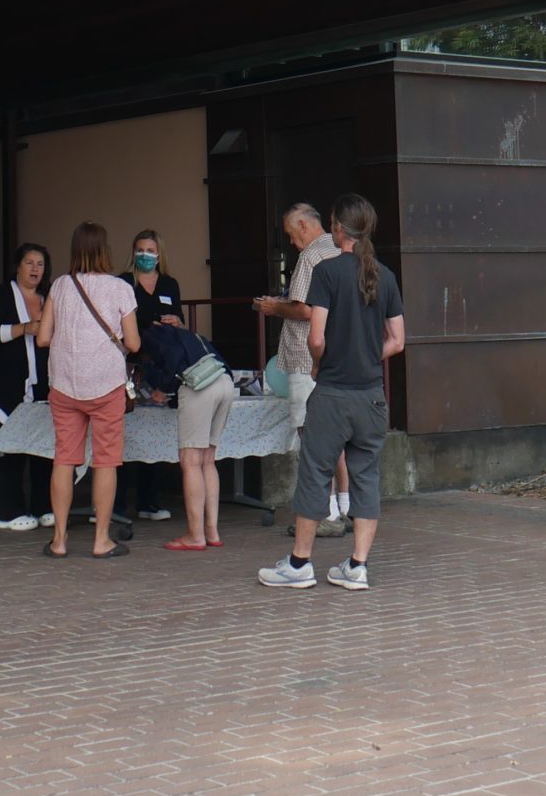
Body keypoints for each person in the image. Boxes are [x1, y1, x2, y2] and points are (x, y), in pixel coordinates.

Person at [259, 194, 404, 593]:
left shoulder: (326, 271)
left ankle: (299, 564)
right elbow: (398, 340)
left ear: (338, 228)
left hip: (334, 392)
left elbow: (317, 336)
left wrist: (322, 361)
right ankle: (357, 566)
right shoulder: (385, 276)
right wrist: (366, 355)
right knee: (366, 478)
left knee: (314, 474)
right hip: (372, 395)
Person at [36, 222, 139, 560]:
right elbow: (134, 343)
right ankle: (101, 540)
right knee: (106, 461)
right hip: (106, 385)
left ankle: (60, 540)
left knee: (64, 459)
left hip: (64, 384)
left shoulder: (60, 286)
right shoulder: (120, 287)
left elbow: (43, 338)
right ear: (105, 249)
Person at [255, 202, 351, 534]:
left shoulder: (311, 256)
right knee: (335, 439)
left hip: (306, 359)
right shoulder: (340, 251)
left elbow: (305, 309)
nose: (291, 243)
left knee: (311, 438)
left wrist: (273, 307)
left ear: (303, 225)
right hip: (336, 357)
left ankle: (323, 515)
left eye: (290, 235)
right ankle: (344, 507)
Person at [136, 302, 234, 552]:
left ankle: (195, 535)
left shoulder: (152, 334)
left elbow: (172, 360)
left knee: (190, 461)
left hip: (199, 386)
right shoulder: (189, 333)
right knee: (208, 460)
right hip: (224, 382)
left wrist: (163, 390)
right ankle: (211, 532)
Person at [0, 242, 50, 530]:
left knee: (43, 449)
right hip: (3, 387)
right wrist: (24, 328)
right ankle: (7, 512)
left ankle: (44, 505)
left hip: (40, 388)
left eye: (40, 264)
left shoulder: (49, 296)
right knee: (11, 450)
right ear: (17, 266)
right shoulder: (1, 295)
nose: (35, 269)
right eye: (29, 263)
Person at [119, 229, 183, 524]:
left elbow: (180, 320)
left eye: (150, 250)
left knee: (153, 432)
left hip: (160, 367)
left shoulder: (170, 283)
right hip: (130, 365)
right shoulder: (123, 282)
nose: (145, 255)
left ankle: (149, 501)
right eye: (140, 249)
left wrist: (176, 322)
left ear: (160, 254)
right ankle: (116, 504)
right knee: (122, 432)